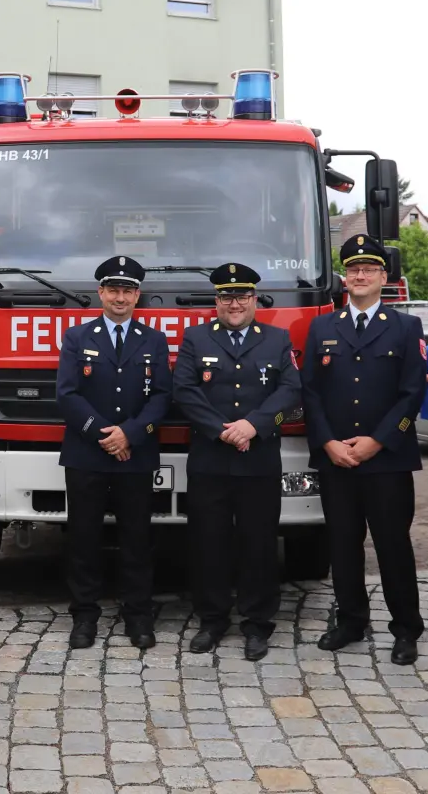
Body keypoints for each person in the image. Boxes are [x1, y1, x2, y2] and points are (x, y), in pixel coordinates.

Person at [301, 235, 427, 663]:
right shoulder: (323, 327)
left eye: (369, 269)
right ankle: (351, 621)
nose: (359, 275)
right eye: (353, 269)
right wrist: (328, 442)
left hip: (387, 459)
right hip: (337, 459)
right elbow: (310, 392)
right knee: (342, 544)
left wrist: (378, 440)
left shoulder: (406, 327)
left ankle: (406, 628)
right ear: (344, 277)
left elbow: (412, 394)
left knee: (393, 545)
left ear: (383, 278)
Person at [171, 264, 301, 661]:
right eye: (227, 296)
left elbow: (292, 390)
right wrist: (222, 430)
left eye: (242, 295)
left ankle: (257, 624)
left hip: (259, 460)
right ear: (217, 301)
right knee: (208, 543)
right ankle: (212, 620)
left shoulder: (277, 339)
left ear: (254, 299)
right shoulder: (196, 338)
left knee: (259, 545)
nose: (235, 303)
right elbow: (184, 391)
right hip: (210, 459)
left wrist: (252, 426)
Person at [53, 256, 172, 651]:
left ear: (137, 295)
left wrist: (130, 435)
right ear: (100, 293)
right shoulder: (77, 337)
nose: (120, 297)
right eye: (113, 289)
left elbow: (161, 396)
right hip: (87, 454)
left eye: (128, 290)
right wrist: (103, 435)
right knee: (83, 540)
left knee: (137, 539)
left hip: (134, 456)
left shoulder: (153, 340)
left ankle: (138, 616)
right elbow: (67, 395)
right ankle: (84, 616)